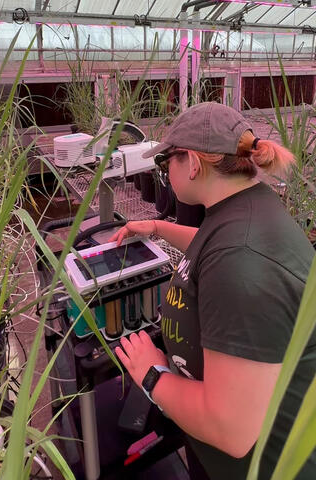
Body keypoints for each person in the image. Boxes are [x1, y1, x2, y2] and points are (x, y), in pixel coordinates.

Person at [109, 102, 316, 479]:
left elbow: (230, 430)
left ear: (191, 162)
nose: (164, 173)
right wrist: (155, 227)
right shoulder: (245, 208)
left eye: (165, 163)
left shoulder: (242, 263)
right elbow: (211, 243)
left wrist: (151, 374)